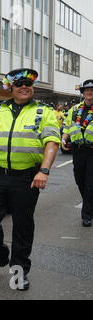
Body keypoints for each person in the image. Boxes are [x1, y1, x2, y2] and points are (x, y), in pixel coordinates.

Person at [0, 68, 61, 291]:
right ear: (10, 88)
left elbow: (52, 141)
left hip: (26, 179)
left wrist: (44, 170)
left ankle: (19, 270)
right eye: (19, 84)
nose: (24, 87)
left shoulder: (44, 112)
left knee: (22, 226)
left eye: (28, 84)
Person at [61, 79, 93, 228]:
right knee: (80, 180)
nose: (90, 92)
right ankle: (90, 204)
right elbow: (68, 126)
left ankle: (86, 215)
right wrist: (63, 139)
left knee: (89, 184)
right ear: (83, 93)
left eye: (92, 90)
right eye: (87, 90)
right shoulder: (74, 110)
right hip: (78, 150)